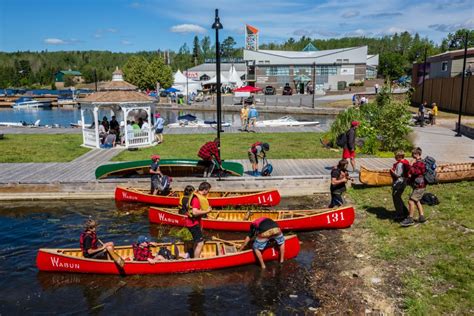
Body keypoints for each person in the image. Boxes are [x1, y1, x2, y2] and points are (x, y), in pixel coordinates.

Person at [184, 182, 212, 259]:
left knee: (197, 241)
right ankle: (196, 260)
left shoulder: (195, 194)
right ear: (205, 190)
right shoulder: (196, 199)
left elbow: (187, 206)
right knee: (200, 243)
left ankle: (193, 256)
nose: (208, 193)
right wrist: (207, 211)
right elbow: (194, 212)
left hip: (191, 222)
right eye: (208, 191)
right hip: (193, 223)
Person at [401, 147, 427, 227]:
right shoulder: (418, 162)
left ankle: (410, 219)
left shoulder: (420, 163)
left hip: (420, 186)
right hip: (418, 185)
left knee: (411, 201)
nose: (412, 155)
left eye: (413, 154)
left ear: (418, 154)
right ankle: (422, 217)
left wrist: (411, 165)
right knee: (416, 200)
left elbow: (415, 172)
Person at [390, 150, 410, 220]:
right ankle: (405, 212)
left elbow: (398, 175)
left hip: (399, 182)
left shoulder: (400, 164)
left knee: (396, 197)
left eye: (396, 156)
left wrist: (392, 171)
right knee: (398, 197)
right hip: (404, 181)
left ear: (400, 156)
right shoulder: (405, 162)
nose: (395, 157)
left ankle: (400, 214)